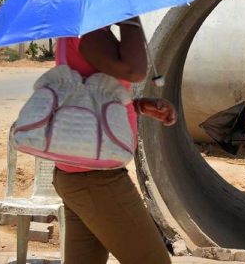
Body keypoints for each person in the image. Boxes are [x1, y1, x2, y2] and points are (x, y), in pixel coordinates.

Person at [51, 17, 175, 264]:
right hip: (96, 179)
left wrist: (138, 107)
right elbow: (134, 70)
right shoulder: (89, 31)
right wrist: (132, 21)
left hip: (76, 176)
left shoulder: (78, 32)